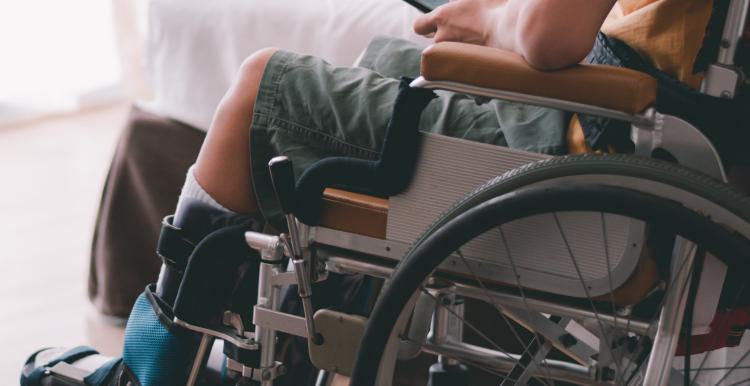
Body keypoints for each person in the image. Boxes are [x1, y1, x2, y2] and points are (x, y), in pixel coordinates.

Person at [22, 1, 721, 385]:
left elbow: (549, 35)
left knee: (259, 87)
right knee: (387, 60)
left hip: (585, 158)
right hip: (645, 144)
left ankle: (147, 376)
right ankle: (295, 354)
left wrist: (492, 19)